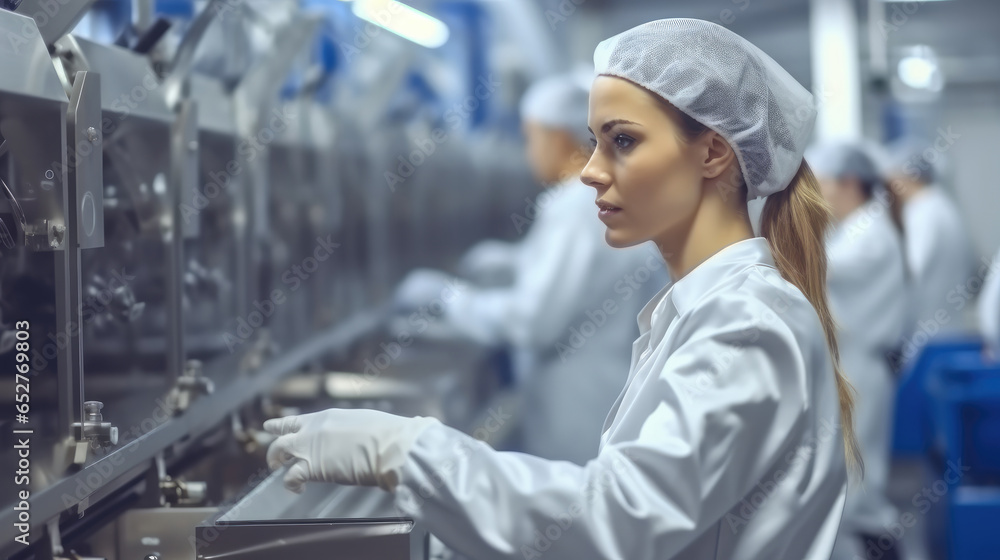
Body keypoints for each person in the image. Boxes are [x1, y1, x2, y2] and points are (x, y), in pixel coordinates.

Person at [264, 19, 856, 559]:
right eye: (594, 140)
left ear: (712, 152)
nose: (593, 169)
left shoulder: (745, 327)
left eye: (622, 141)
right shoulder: (697, 312)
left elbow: (623, 521)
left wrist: (406, 452)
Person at [393, 71, 666, 465]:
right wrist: (516, 262)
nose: (528, 151)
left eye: (530, 137)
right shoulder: (585, 203)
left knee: (576, 511)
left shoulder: (578, 209)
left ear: (556, 137)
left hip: (578, 408)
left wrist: (449, 298)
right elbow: (573, 276)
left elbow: (532, 321)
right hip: (592, 391)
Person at [809, 143, 907, 560]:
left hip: (861, 368)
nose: (817, 195)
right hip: (854, 367)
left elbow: (814, 267)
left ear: (849, 184)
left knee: (859, 478)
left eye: (822, 185)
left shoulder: (868, 234)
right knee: (854, 470)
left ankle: (877, 547)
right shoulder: (856, 229)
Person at [884, 140, 976, 364]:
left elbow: (911, 270)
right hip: (948, 332)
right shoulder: (943, 206)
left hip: (927, 339)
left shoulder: (923, 213)